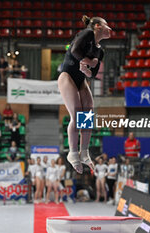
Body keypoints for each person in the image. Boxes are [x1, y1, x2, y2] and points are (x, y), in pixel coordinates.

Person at [57, 15, 111, 174]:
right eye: (106, 25)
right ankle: (72, 152)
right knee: (76, 114)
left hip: (81, 80)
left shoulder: (100, 50)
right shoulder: (87, 34)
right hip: (66, 76)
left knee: (88, 113)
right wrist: (89, 61)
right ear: (97, 27)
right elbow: (74, 50)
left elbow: (93, 73)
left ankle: (84, 151)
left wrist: (89, 69)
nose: (110, 29)